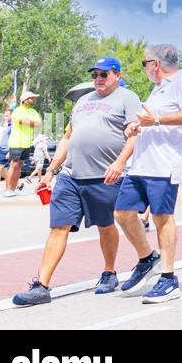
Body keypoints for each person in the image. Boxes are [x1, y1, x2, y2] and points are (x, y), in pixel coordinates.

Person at [12, 57, 147, 306]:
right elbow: (67, 138)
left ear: (116, 75)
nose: (98, 79)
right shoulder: (84, 101)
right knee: (59, 226)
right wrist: (51, 171)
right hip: (70, 175)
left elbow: (133, 135)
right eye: (95, 74)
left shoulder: (128, 98)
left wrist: (120, 163)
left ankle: (109, 272)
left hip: (104, 176)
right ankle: (41, 286)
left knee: (105, 226)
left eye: (103, 74)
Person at [113, 44, 182, 304]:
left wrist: (158, 121)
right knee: (122, 212)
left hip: (165, 165)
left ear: (155, 64)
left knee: (163, 218)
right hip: (141, 164)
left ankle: (168, 277)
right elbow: (149, 120)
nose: (144, 69)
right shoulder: (157, 90)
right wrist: (135, 126)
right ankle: (147, 258)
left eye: (144, 63)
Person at [3, 90, 42, 197]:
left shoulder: (33, 111)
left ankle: (14, 188)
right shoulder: (18, 110)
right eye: (32, 98)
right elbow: (22, 121)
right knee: (13, 165)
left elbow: (38, 123)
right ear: (25, 100)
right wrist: (31, 122)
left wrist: (28, 121)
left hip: (26, 143)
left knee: (19, 166)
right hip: (16, 142)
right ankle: (7, 189)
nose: (34, 99)